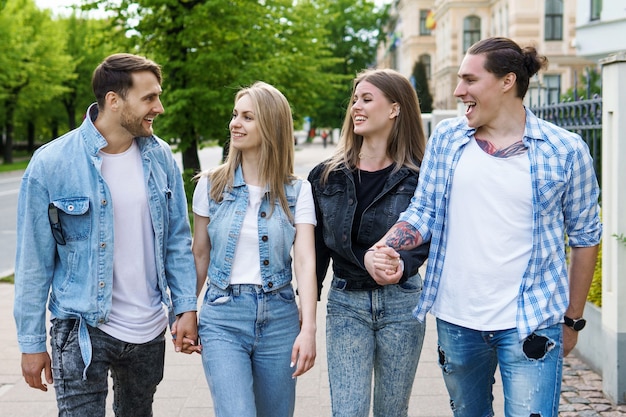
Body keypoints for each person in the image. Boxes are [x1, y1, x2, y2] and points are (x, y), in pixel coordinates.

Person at [367, 37, 602, 417]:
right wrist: (384, 248)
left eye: (470, 80)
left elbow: (586, 236)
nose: (459, 91)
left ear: (507, 81)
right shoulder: (447, 138)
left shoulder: (565, 150)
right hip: (458, 320)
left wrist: (572, 319)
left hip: (532, 322)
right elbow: (423, 210)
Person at [13, 53, 199, 416]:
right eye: (149, 98)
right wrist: (31, 344)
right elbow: (33, 261)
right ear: (114, 101)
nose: (159, 107)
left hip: (148, 328)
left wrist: (186, 306)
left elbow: (177, 240)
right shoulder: (52, 163)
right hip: (81, 327)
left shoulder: (161, 157)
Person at [307, 68, 430, 417]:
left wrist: (402, 264)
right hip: (346, 303)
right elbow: (315, 253)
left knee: (392, 412)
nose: (356, 107)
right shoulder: (325, 176)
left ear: (394, 108)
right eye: (354, 100)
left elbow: (425, 237)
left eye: (366, 99)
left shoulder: (420, 176)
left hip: (403, 304)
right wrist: (305, 319)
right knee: (348, 412)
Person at [191, 81, 317, 417]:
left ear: (272, 125)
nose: (235, 123)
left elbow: (305, 262)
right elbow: (200, 254)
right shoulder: (210, 186)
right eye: (235, 115)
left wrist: (309, 330)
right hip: (222, 317)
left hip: (280, 318)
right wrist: (186, 311)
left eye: (248, 117)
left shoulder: (297, 191)